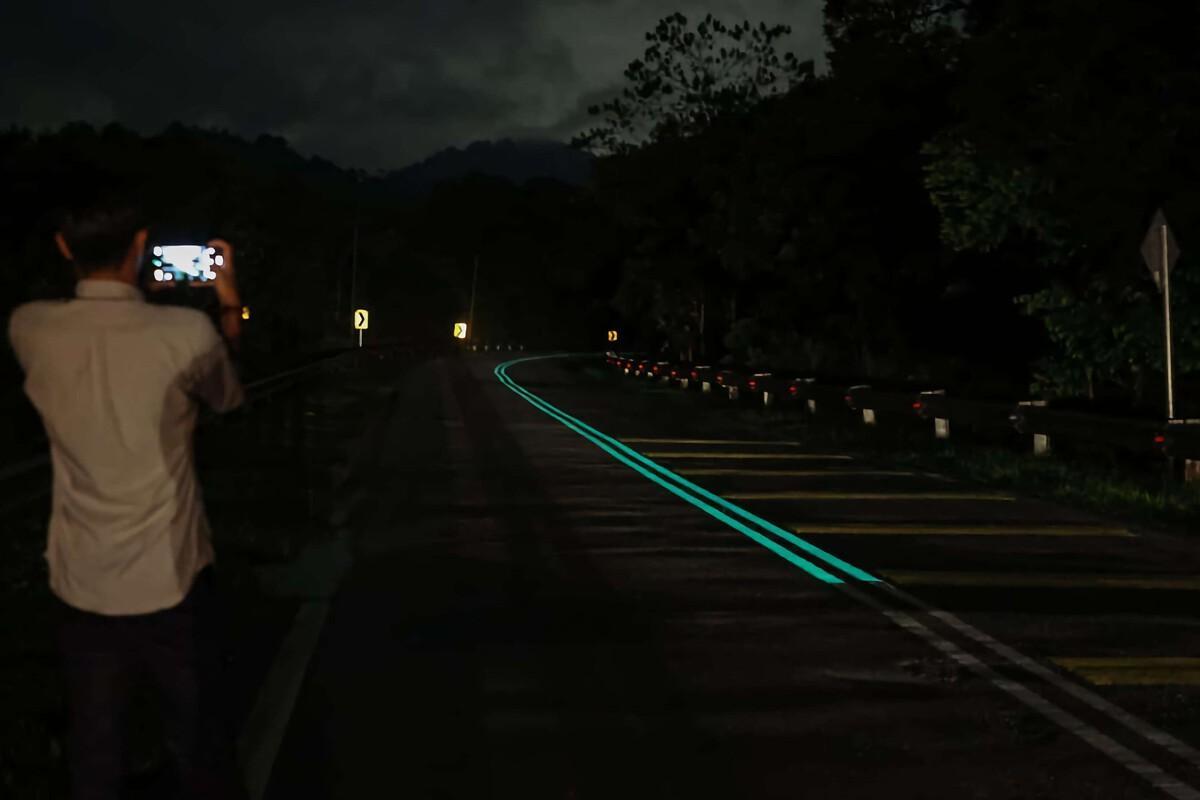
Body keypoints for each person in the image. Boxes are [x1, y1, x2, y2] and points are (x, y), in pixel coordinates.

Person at [6, 182, 248, 800]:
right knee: (198, 744)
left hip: (81, 579)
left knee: (95, 745)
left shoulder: (28, 328)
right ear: (142, 247)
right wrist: (228, 307)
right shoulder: (186, 336)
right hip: (173, 578)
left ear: (63, 247)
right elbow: (227, 398)